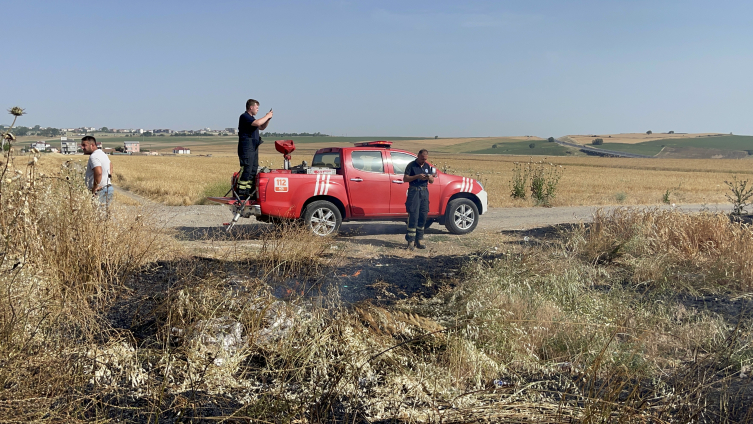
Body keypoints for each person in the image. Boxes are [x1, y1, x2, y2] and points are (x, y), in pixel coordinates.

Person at [237, 99, 273, 198]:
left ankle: (247, 191)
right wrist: (267, 116)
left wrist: (268, 119)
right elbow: (257, 123)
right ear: (251, 107)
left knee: (253, 169)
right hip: (246, 147)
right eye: (257, 108)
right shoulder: (245, 117)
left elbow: (261, 127)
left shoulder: (252, 119)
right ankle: (240, 192)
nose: (257, 110)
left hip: (254, 146)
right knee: (247, 168)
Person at [403, 149, 434, 250]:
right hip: (414, 192)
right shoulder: (411, 165)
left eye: (425, 159)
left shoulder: (427, 166)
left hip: (424, 193)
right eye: (422, 158)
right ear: (418, 156)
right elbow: (405, 178)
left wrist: (429, 177)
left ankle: (419, 240)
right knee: (413, 216)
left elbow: (432, 181)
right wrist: (417, 176)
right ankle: (410, 241)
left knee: (423, 216)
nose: (423, 161)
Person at [81, 136, 113, 204]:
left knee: (100, 213)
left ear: (92, 145)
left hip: (100, 191)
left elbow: (98, 172)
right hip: (107, 188)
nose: (82, 148)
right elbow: (110, 165)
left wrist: (95, 188)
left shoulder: (94, 156)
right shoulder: (102, 154)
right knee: (105, 213)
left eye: (84, 145)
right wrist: (108, 179)